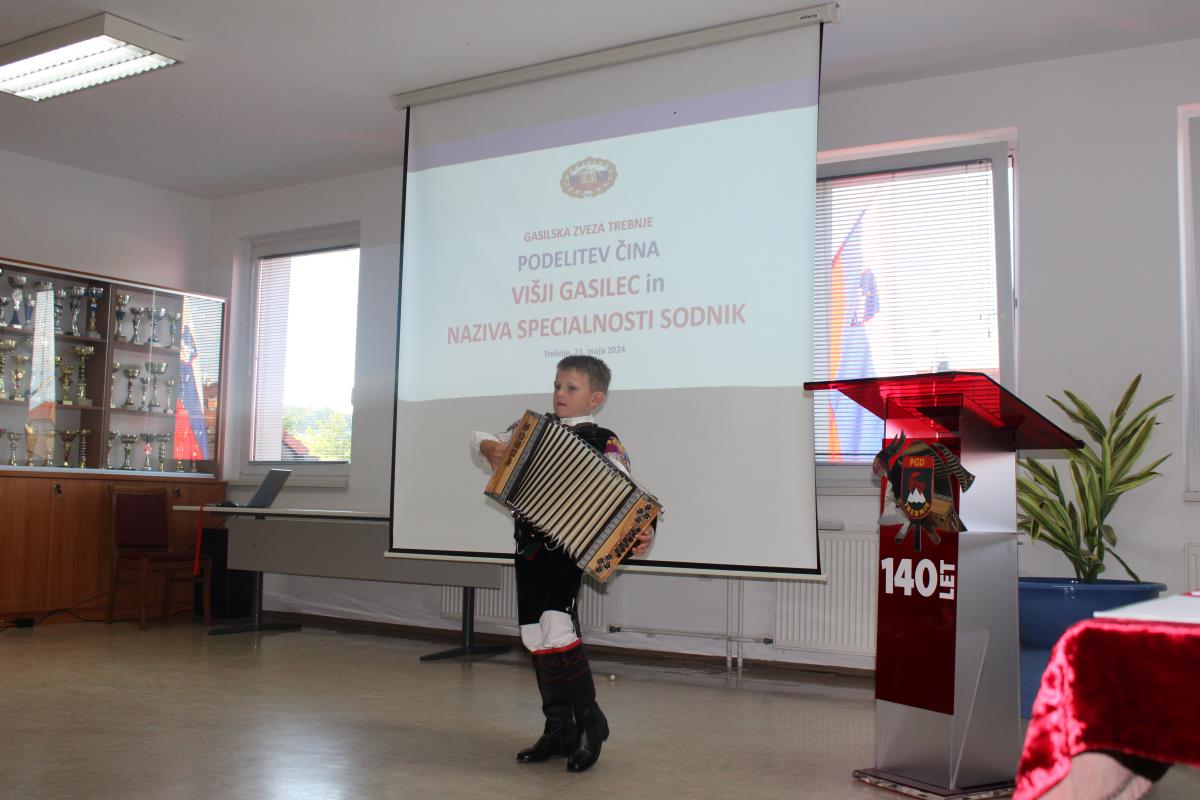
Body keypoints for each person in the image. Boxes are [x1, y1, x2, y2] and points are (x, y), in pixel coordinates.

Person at [474, 355, 654, 773]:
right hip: (528, 550)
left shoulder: (605, 441)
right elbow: (480, 439)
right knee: (534, 634)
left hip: (568, 552)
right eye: (557, 385)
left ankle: (591, 724)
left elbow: (629, 497)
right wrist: (491, 448)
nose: (560, 393)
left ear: (596, 398)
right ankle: (558, 729)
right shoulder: (532, 430)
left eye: (571, 388)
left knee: (558, 627)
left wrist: (644, 530)